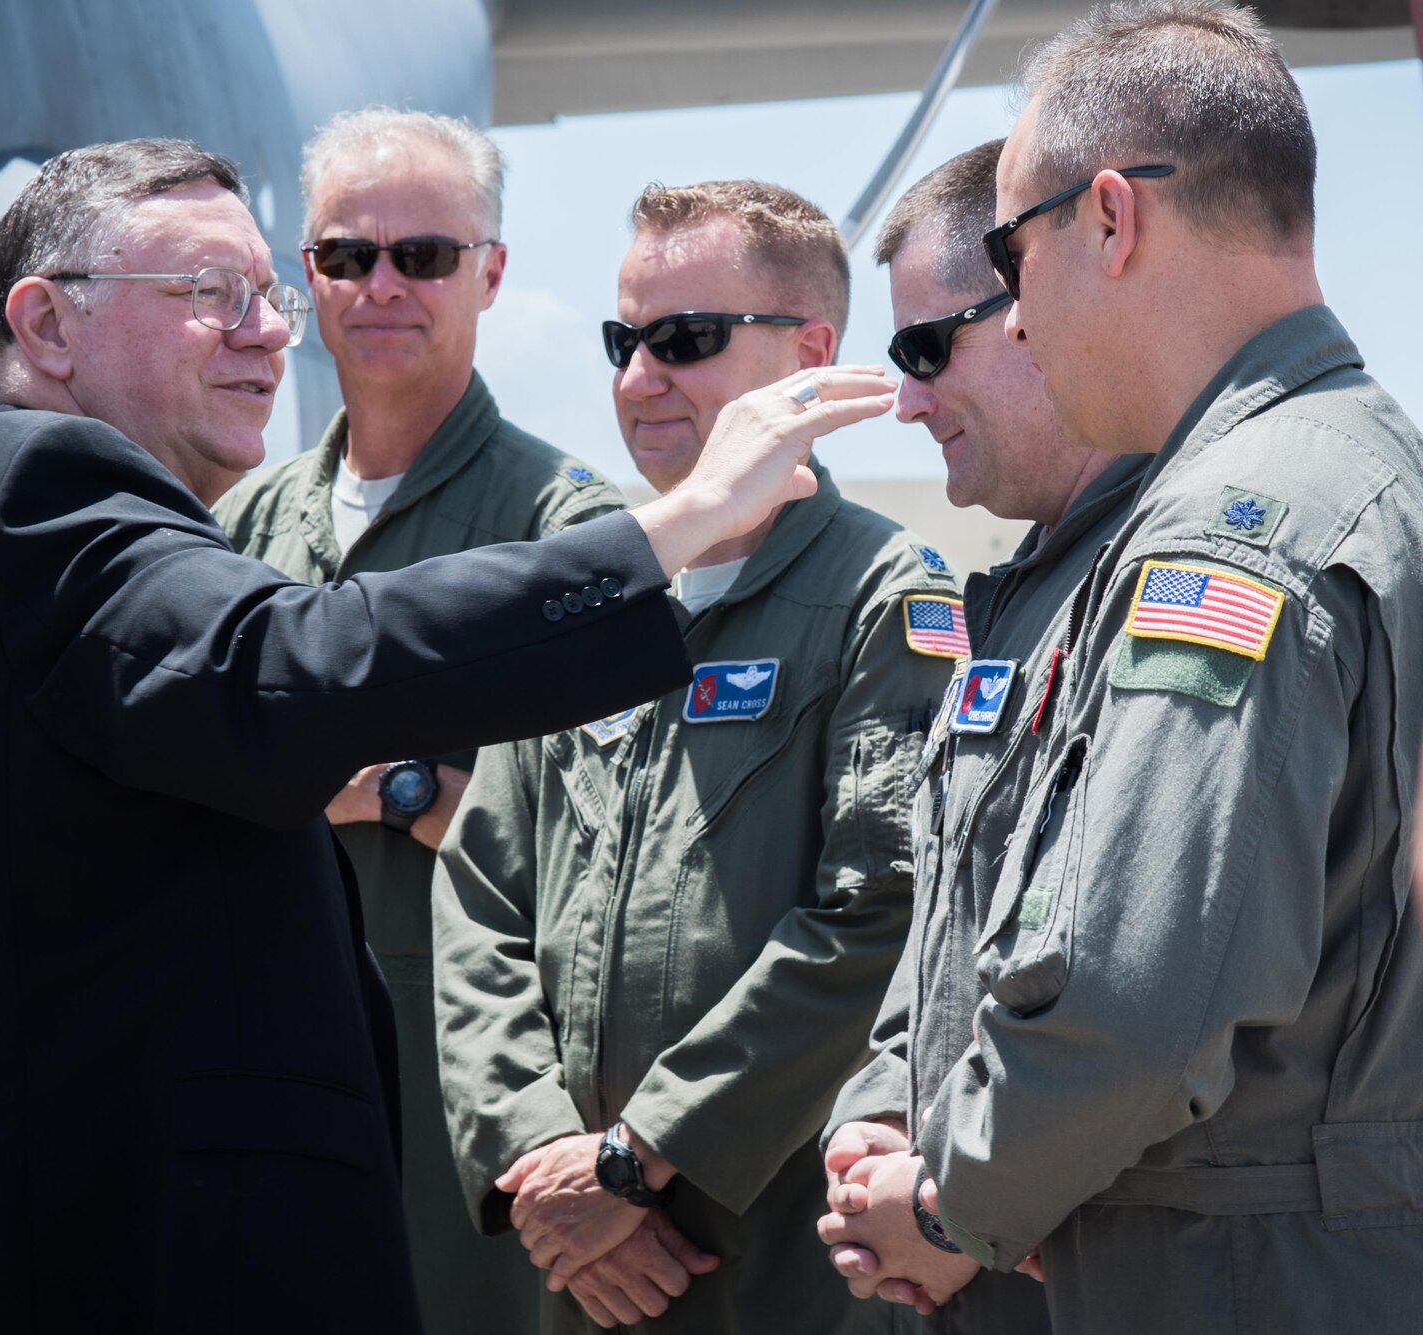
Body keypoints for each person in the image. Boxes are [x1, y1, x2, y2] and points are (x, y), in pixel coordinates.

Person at [0, 138, 898, 1334]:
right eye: (210, 295)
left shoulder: (67, 522)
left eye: (264, 294)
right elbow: (287, 671)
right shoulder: (42, 493)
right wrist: (672, 529)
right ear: (47, 327)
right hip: (74, 1259)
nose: (269, 331)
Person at [816, 6, 1423, 1332]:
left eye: (1012, 259)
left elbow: (1138, 993)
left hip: (1233, 1275)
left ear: (1110, 221)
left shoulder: (1230, 533)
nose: (1019, 318)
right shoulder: (1364, 468)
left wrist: (948, 1203)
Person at [433, 178, 961, 1333]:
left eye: (684, 340)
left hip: (778, 1266)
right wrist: (542, 1168)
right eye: (624, 340)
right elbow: (476, 899)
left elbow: (880, 914)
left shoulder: (885, 599)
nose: (636, 378)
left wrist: (637, 1159)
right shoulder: (582, 592)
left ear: (811, 353)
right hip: (579, 1266)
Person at [214, 109, 621, 1332]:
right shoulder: (243, 525)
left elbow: (607, 860)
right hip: (265, 1069)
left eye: (424, 256)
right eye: (346, 256)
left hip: (473, 1097)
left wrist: (392, 789)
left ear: (489, 272)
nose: (381, 285)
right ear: (306, 276)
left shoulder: (570, 532)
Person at [817, 139, 1148, 1335]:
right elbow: (947, 923)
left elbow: (1142, 988)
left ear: (1032, 310)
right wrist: (877, 1115)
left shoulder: (1165, 580)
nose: (903, 401)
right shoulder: (1010, 598)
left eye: (920, 349)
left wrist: (949, 1206)